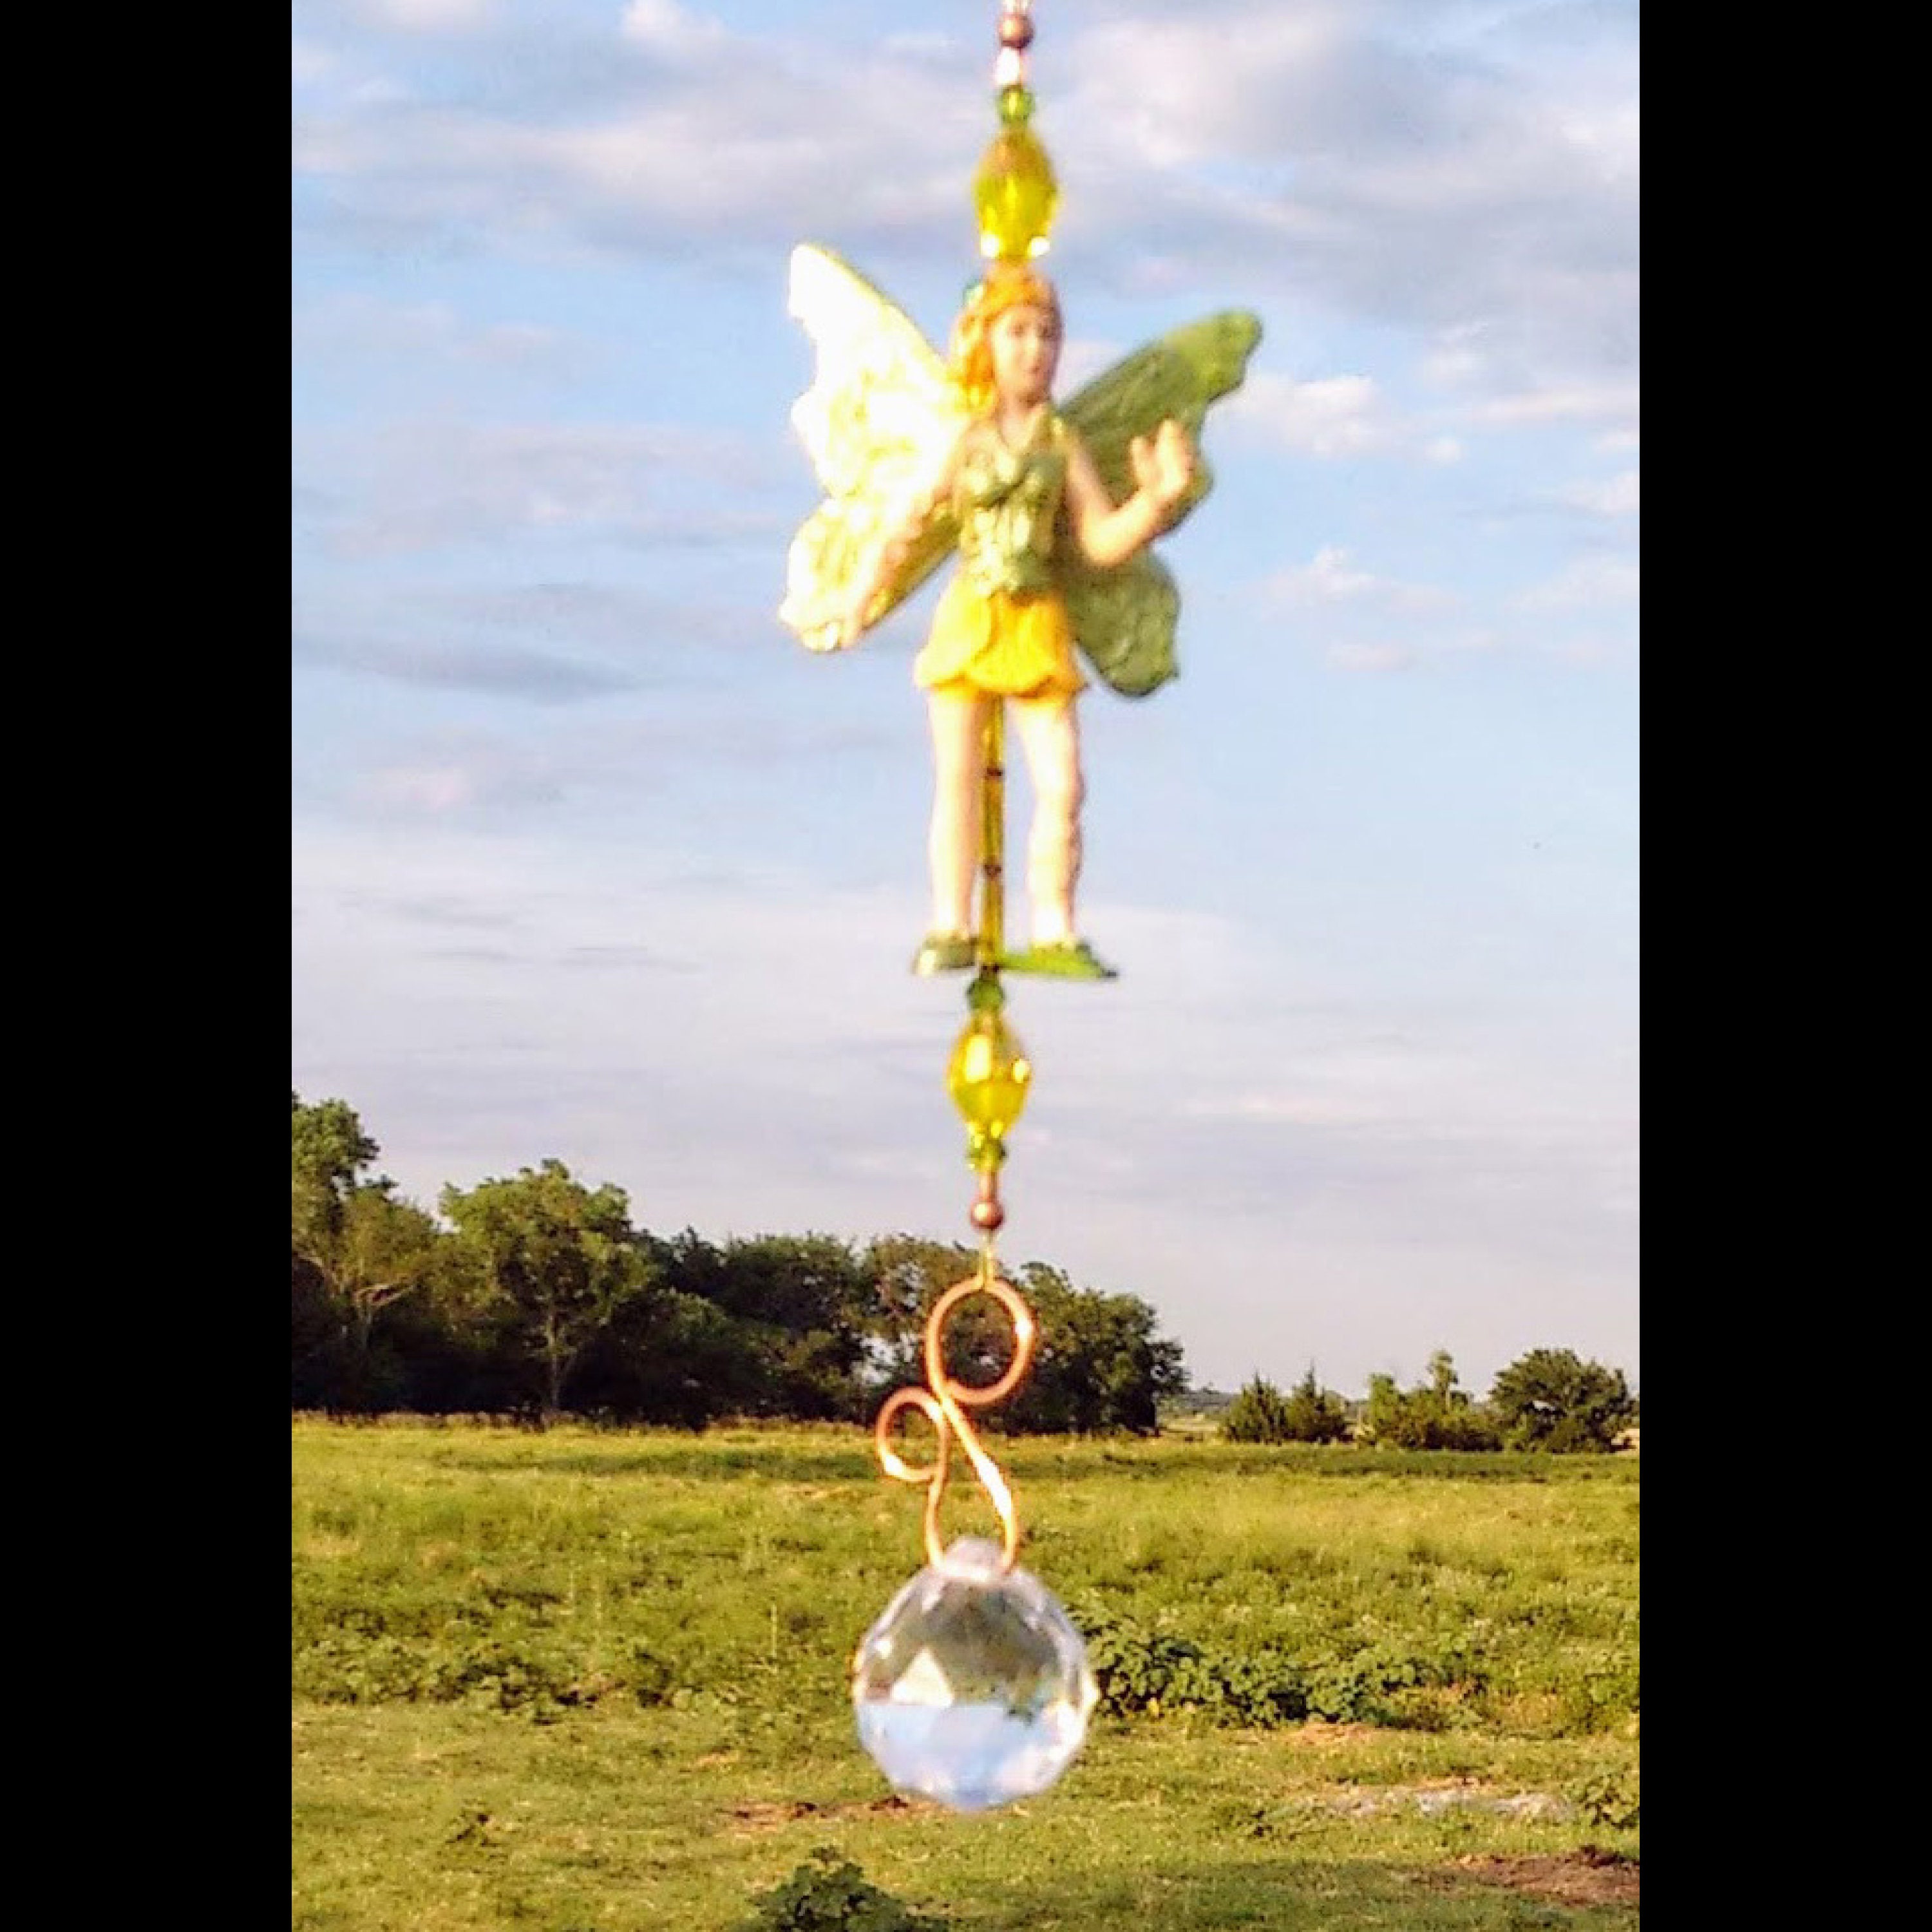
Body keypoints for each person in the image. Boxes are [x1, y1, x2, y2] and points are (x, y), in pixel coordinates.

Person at [834, 261, 1198, 980]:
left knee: (1063, 783)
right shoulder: (965, 440)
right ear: (986, 343)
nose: (1036, 350)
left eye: (1048, 334)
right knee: (959, 779)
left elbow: (1097, 542)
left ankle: (1055, 923)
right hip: (973, 616)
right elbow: (905, 525)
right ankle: (952, 921)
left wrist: (1153, 507)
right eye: (1019, 333)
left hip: (1036, 617)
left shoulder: (1060, 443)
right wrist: (859, 600)